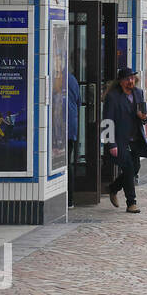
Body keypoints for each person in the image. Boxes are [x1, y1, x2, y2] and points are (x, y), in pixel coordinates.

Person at [103, 67, 147, 212]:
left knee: (136, 167)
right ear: (121, 81)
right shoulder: (112, 97)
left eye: (132, 78)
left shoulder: (139, 93)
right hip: (119, 140)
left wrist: (144, 118)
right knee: (129, 168)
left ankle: (113, 187)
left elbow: (144, 117)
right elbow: (107, 121)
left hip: (135, 139)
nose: (130, 81)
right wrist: (111, 143)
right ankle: (131, 203)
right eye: (127, 79)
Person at [67, 70, 80, 207]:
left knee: (65, 163)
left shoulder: (60, 79)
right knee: (67, 163)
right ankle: (70, 199)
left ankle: (68, 198)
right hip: (71, 128)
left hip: (61, 128)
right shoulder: (72, 79)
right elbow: (78, 102)